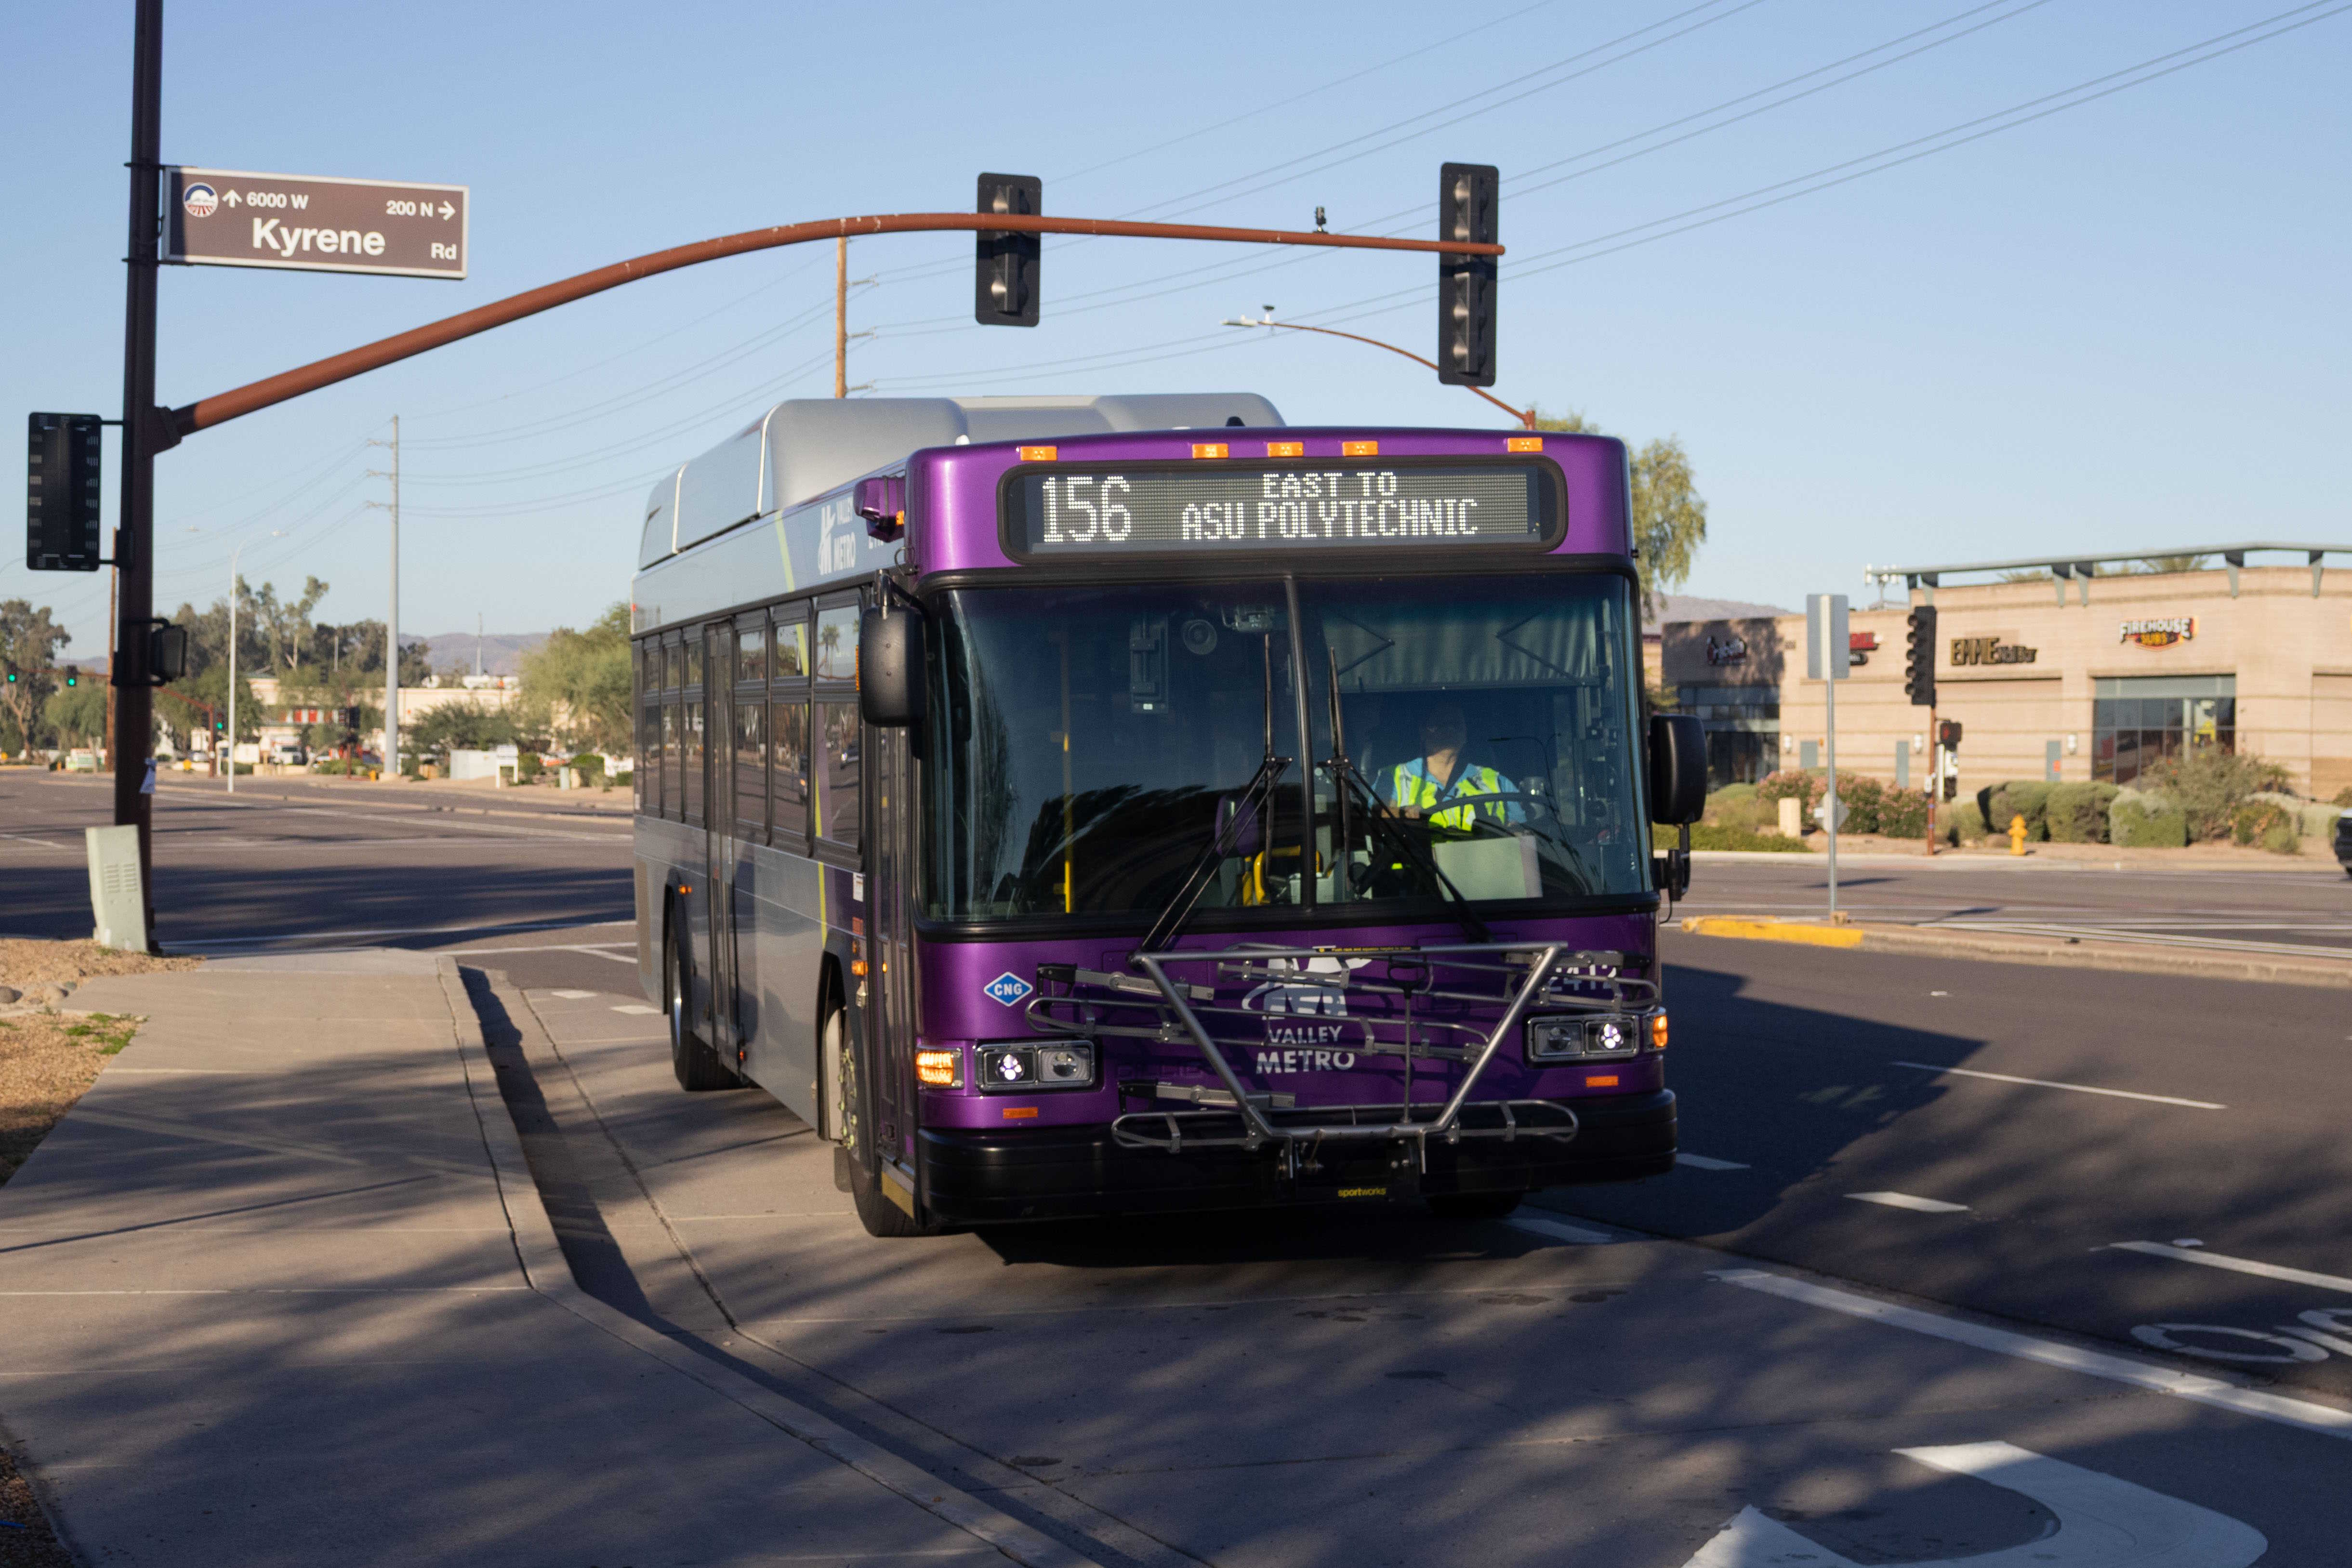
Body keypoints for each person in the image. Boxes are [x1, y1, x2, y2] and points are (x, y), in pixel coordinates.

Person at [1384, 703, 1522, 829]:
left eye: (1455, 724)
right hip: (1417, 855)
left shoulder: (1498, 782)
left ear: (1465, 734)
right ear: (1423, 731)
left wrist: (1514, 830)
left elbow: (1524, 832)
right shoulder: (1394, 777)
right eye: (1440, 724)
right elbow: (1375, 815)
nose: (1449, 729)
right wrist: (1403, 813)